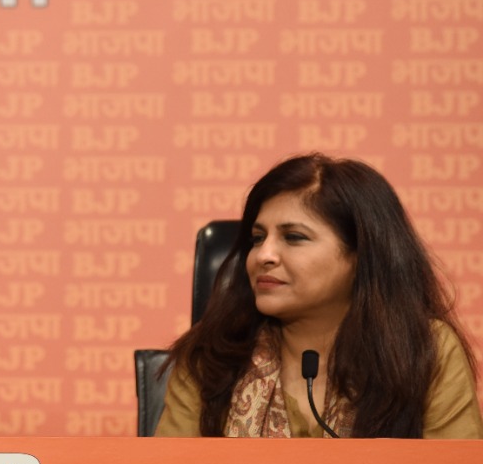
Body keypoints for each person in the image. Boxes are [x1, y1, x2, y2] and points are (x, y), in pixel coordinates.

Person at [157, 153, 481, 438]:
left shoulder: (424, 348)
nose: (263, 255)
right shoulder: (211, 352)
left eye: (294, 237)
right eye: (257, 238)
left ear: (360, 256)